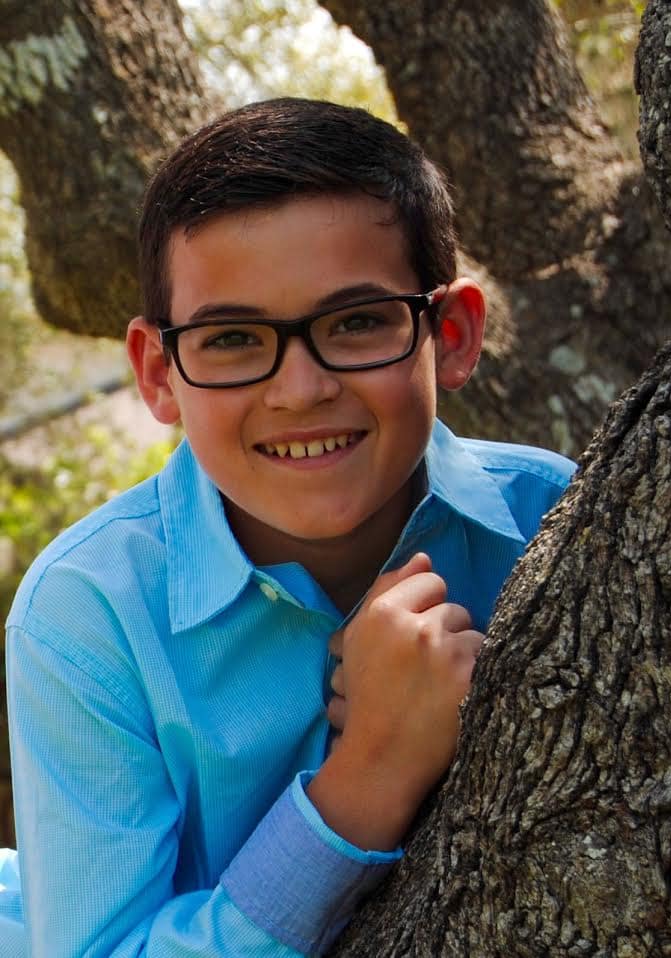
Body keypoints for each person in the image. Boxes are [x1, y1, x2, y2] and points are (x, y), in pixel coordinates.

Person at [0, 97, 575, 957]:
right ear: (159, 373)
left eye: (356, 323)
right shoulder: (89, 615)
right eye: (232, 338)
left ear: (451, 334)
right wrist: (369, 775)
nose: (300, 391)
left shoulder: (551, 523)